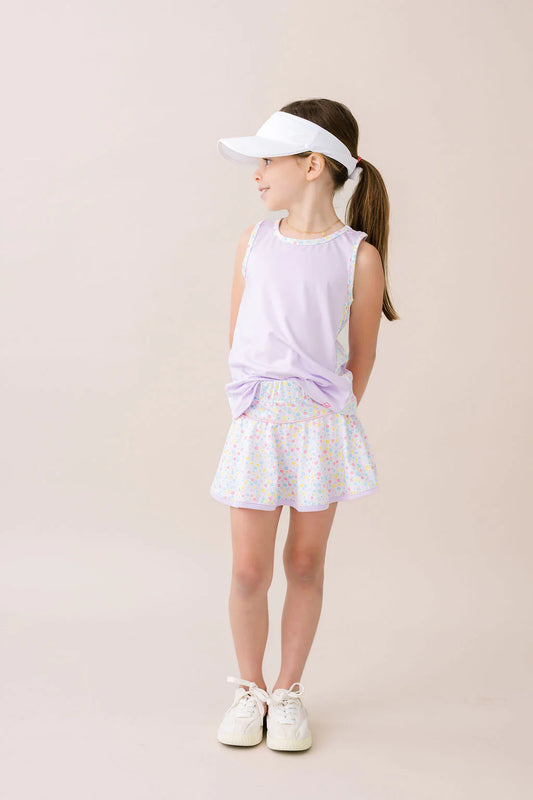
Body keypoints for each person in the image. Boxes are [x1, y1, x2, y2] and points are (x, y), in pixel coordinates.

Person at [211, 99, 399, 751]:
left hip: (319, 428)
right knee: (247, 571)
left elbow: (360, 356)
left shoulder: (357, 256)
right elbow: (239, 336)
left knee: (305, 561)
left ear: (312, 165)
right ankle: (250, 689)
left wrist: (326, 414)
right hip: (259, 422)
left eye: (268, 161)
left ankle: (287, 691)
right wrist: (257, 404)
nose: (257, 174)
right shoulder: (255, 241)